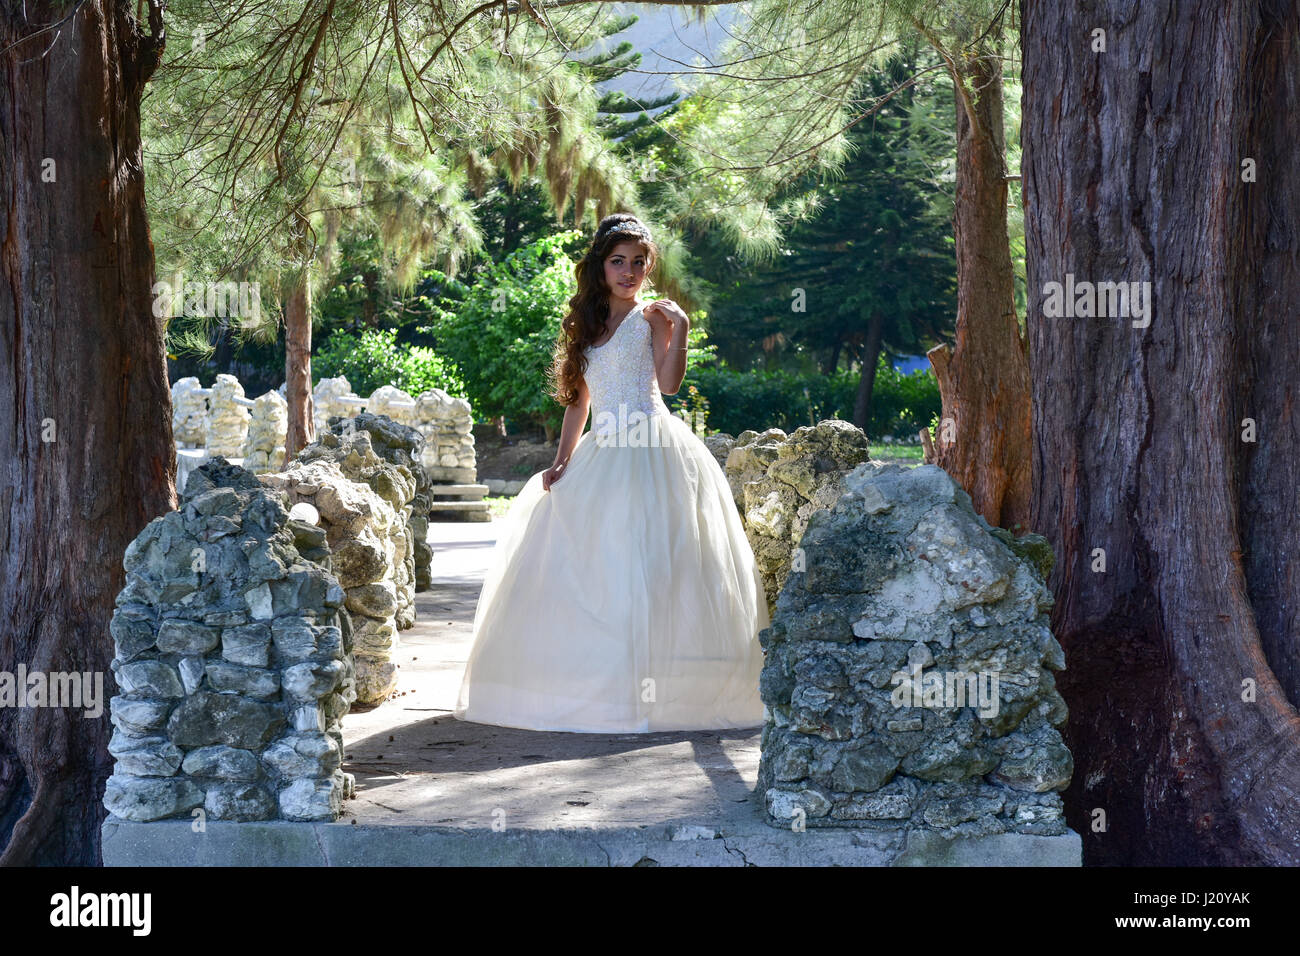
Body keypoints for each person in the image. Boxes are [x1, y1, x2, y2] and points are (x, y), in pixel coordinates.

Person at [452, 213, 769, 733]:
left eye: (638, 263)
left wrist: (681, 329)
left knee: (657, 564)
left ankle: (661, 694)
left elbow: (668, 386)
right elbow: (578, 403)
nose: (628, 271)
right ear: (599, 267)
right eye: (618, 261)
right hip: (604, 448)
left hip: (653, 447)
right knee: (601, 562)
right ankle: (600, 690)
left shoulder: (653, 318)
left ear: (648, 269)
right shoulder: (586, 325)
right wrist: (562, 459)